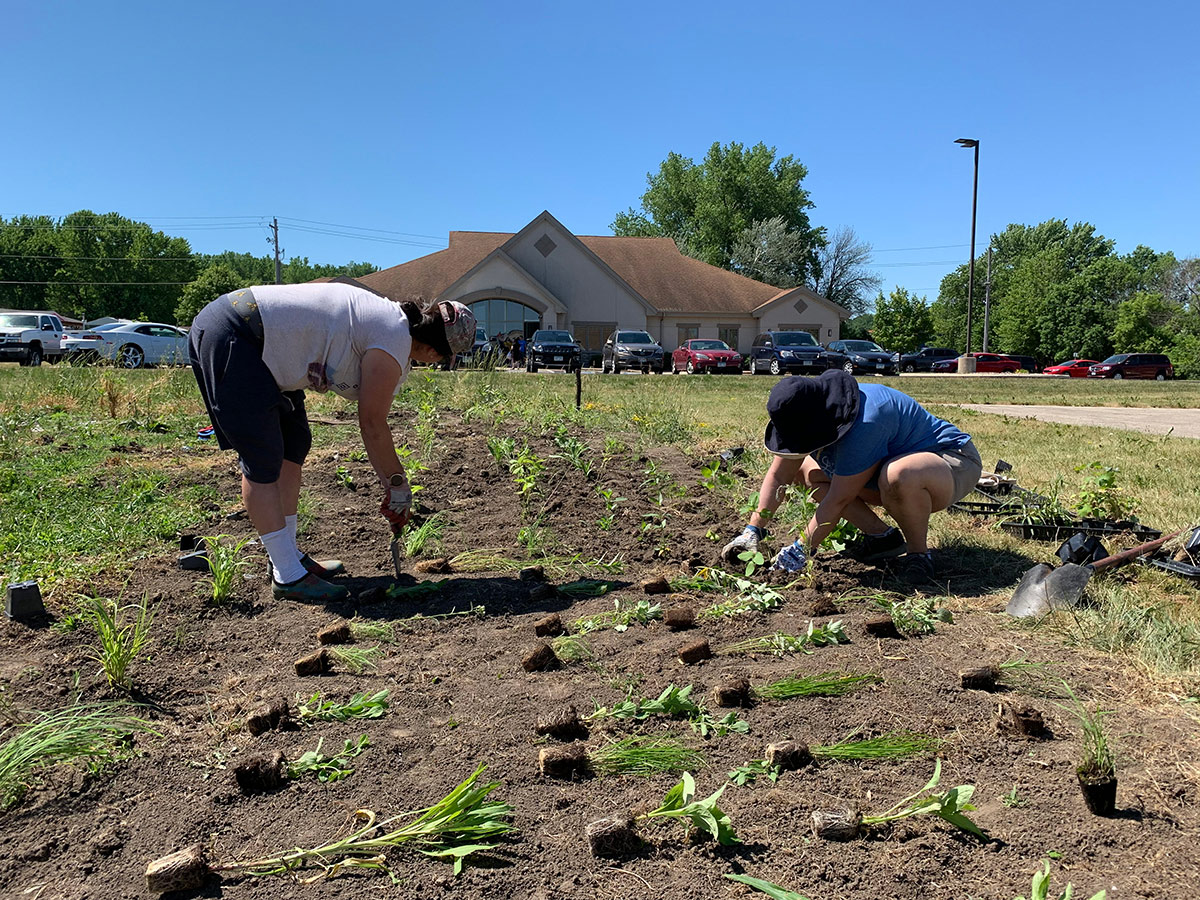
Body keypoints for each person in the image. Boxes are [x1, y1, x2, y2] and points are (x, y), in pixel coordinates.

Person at [188, 282, 475, 602]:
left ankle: (288, 556)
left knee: (294, 443)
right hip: (236, 334)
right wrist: (397, 486)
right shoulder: (393, 337)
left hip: (263, 346)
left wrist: (391, 482)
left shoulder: (393, 326)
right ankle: (287, 576)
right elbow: (372, 424)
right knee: (263, 456)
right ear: (436, 352)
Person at [722, 370, 982, 582]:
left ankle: (918, 555)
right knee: (806, 472)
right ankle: (883, 539)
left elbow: (838, 499)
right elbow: (780, 476)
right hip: (886, 468)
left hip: (950, 462)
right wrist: (753, 530)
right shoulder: (812, 410)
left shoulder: (866, 422)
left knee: (898, 476)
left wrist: (802, 550)